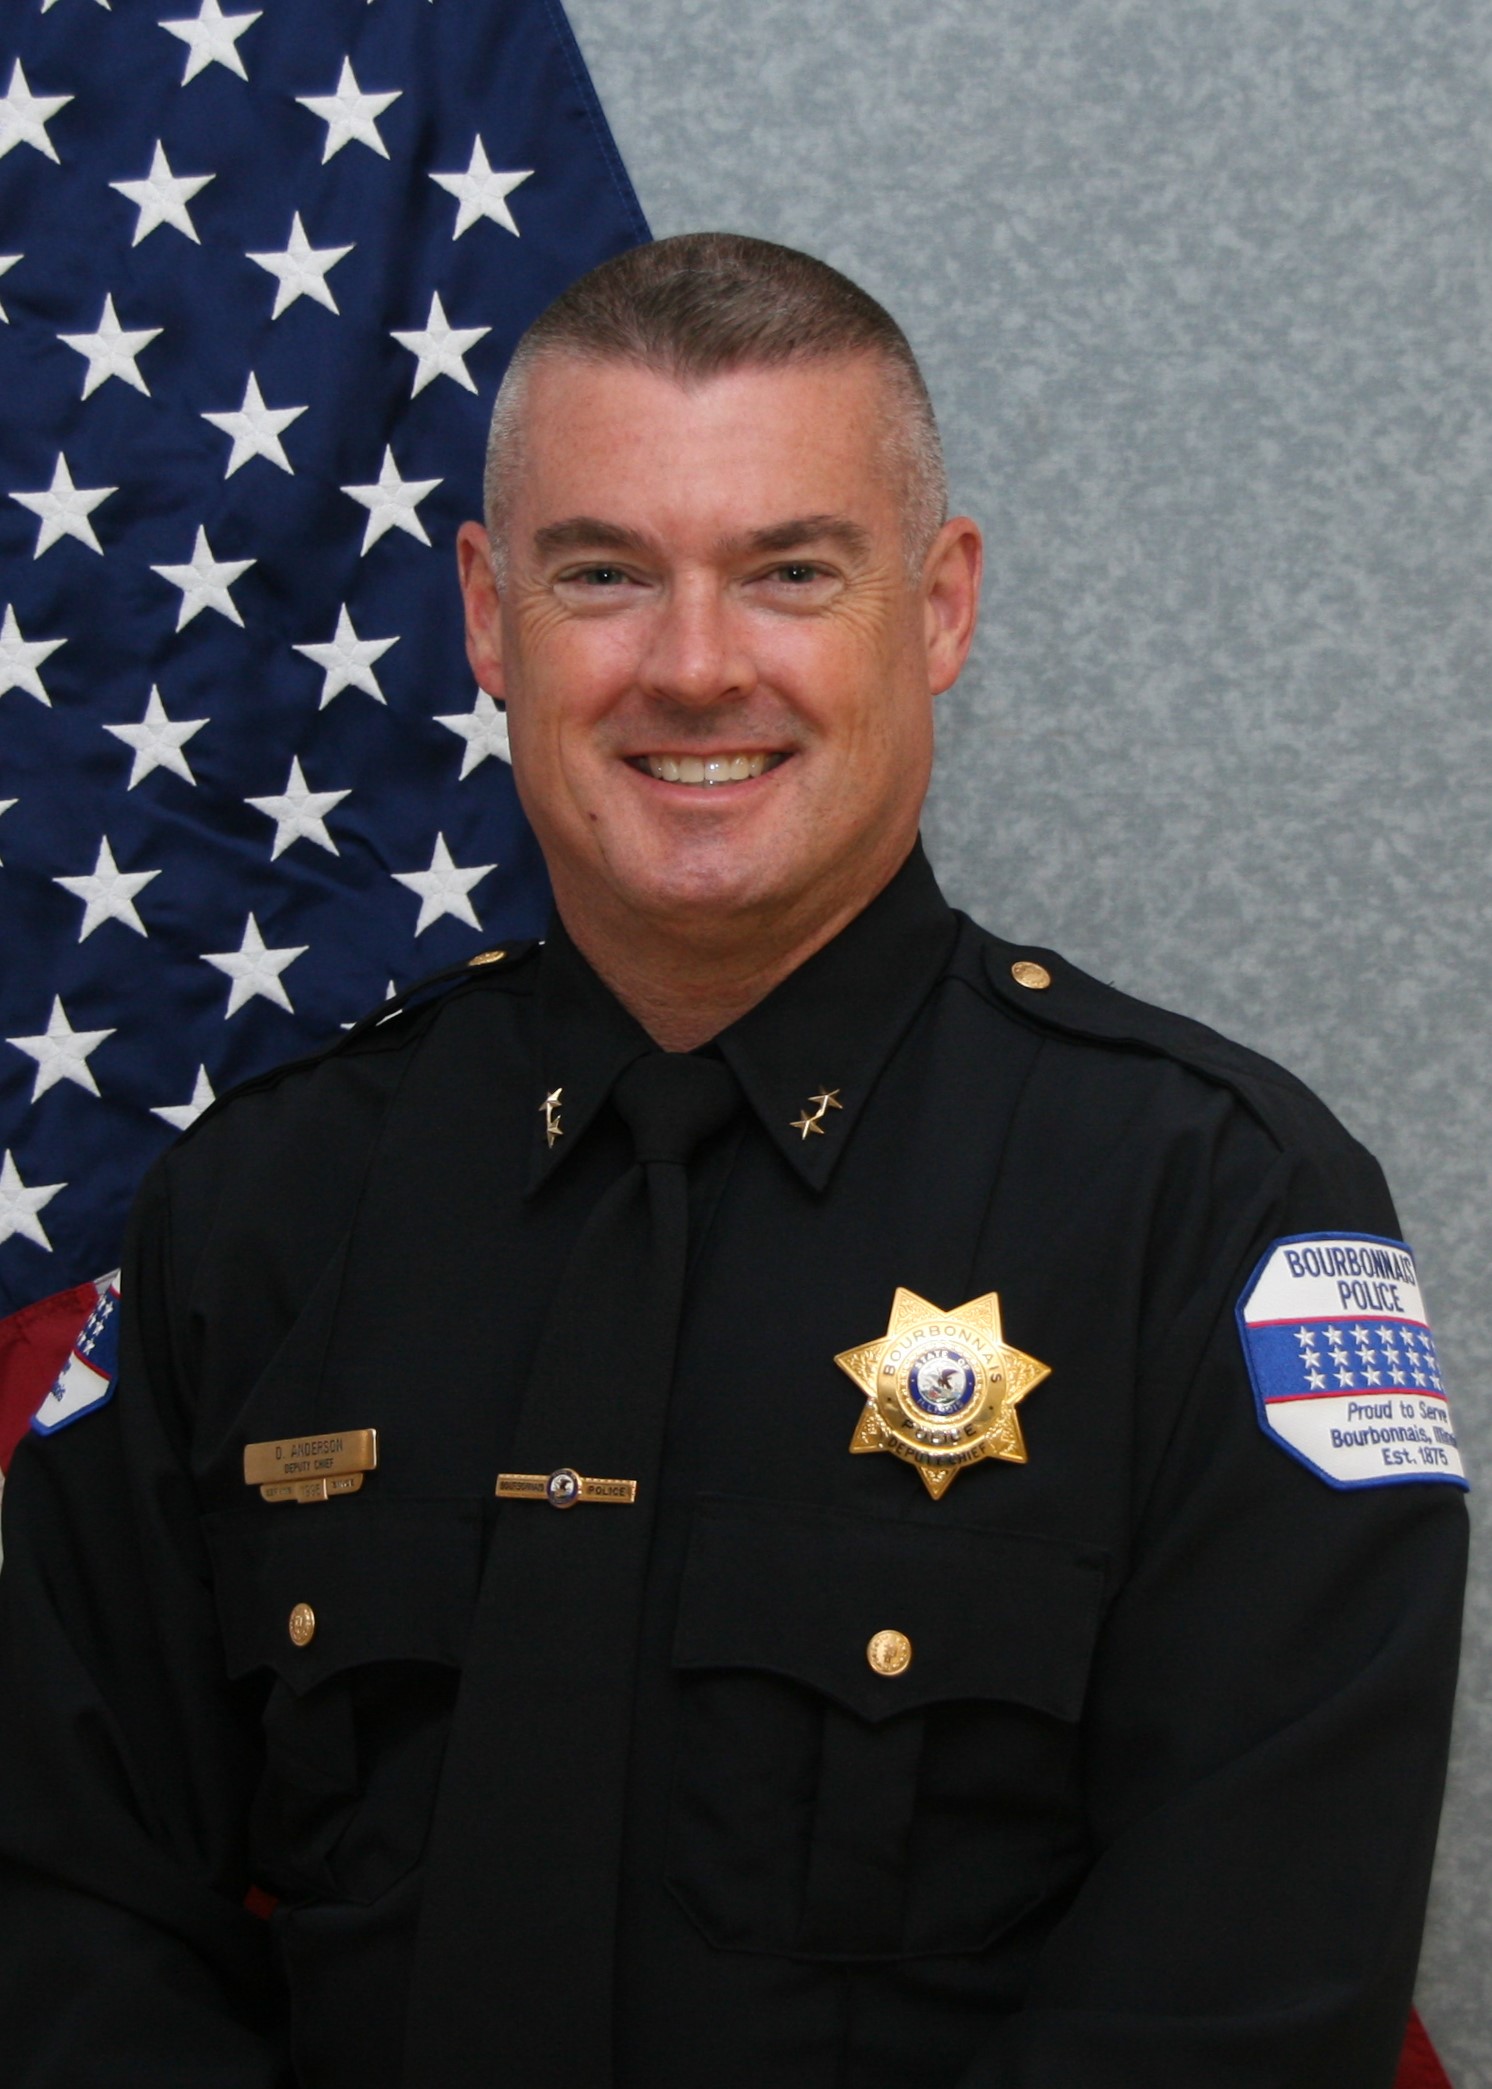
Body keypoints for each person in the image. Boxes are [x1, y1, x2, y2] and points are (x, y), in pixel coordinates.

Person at [0, 233, 1467, 2089]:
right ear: (485, 612)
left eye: (790, 573)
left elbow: (1236, 2001)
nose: (694, 669)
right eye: (603, 573)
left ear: (937, 609)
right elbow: (67, 1916)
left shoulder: (1218, 1216)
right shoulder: (261, 1217)